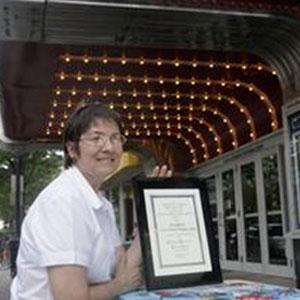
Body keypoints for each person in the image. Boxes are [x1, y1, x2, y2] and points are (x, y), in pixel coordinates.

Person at [10, 102, 172, 300]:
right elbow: (71, 297)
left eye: (115, 138)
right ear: (72, 149)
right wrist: (119, 286)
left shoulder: (100, 202)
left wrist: (150, 210)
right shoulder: (63, 201)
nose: (109, 147)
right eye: (96, 138)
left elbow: (123, 267)